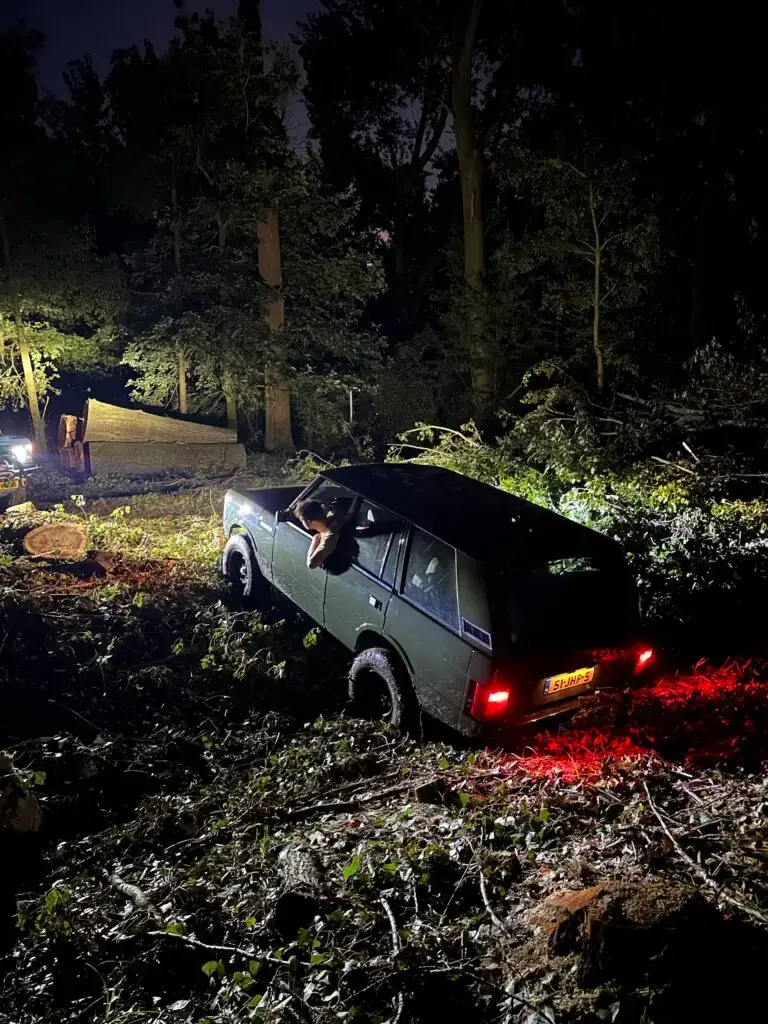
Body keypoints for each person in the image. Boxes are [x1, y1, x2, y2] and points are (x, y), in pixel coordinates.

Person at [296, 499, 342, 569]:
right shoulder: (333, 515)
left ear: (310, 522)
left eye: (302, 519)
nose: (301, 522)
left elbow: (311, 564)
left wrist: (315, 539)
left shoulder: (329, 536)